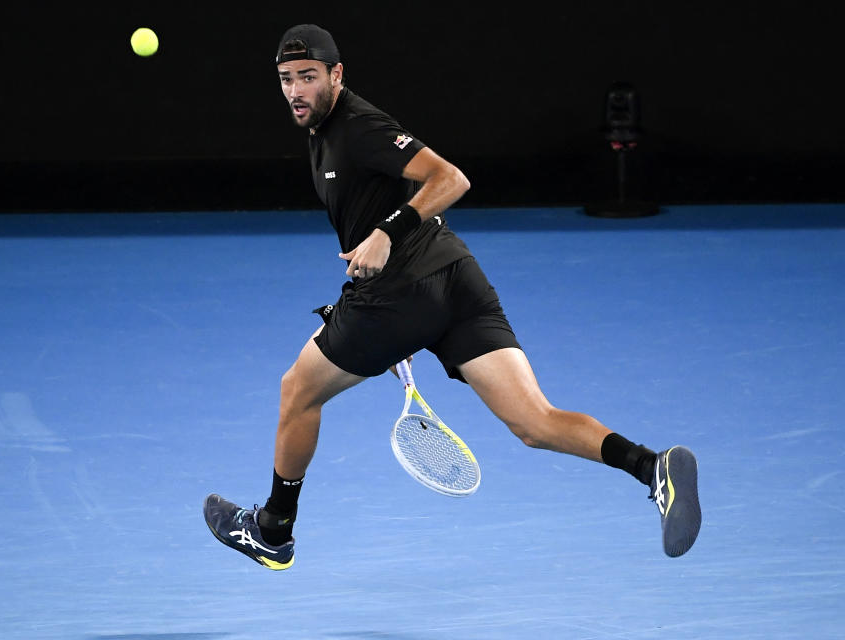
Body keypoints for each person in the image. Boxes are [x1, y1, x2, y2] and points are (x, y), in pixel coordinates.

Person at [204, 24, 701, 570]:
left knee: (297, 390)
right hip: (452, 278)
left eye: (308, 77)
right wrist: (392, 314)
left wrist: (387, 237)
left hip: (400, 289)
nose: (296, 90)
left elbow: (450, 179)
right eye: (286, 80)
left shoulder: (361, 126)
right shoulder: (323, 132)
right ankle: (652, 467)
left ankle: (273, 530)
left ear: (336, 75)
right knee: (534, 422)